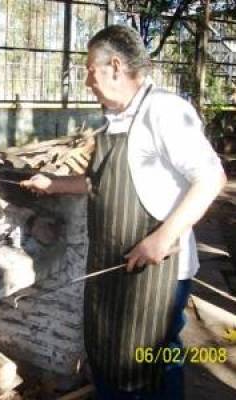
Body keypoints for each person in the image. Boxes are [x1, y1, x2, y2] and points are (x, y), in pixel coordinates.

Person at [20, 25, 227, 399]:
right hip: (113, 265)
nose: (87, 81)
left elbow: (211, 177)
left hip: (156, 274)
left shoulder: (164, 110)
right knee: (107, 354)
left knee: (152, 364)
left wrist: (162, 238)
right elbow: (100, 183)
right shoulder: (115, 122)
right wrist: (52, 184)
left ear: (115, 65)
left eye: (89, 70)